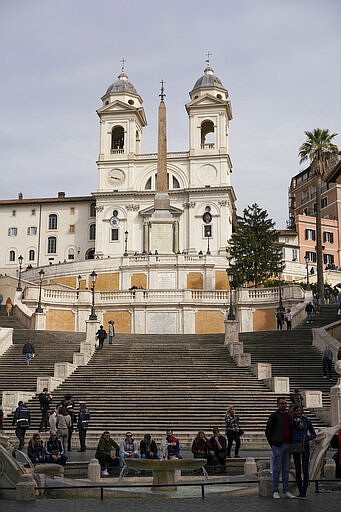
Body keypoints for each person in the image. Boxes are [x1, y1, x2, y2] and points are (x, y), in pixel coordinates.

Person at [265, 397, 295, 499]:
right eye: (281, 403)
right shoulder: (274, 415)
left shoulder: (288, 416)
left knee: (286, 469)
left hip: (287, 444)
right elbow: (268, 431)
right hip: (277, 445)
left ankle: (286, 490)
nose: (284, 405)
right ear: (277, 405)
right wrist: (273, 444)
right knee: (277, 469)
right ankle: (275, 490)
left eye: (285, 403)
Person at [290, 406, 316, 498]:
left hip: (305, 445)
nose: (298, 412)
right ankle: (300, 490)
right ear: (294, 411)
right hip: (295, 445)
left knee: (305, 469)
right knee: (297, 469)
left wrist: (307, 438)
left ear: (302, 411)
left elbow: (314, 434)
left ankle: (304, 490)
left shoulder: (307, 421)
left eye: (300, 410)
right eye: (297, 410)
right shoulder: (291, 421)